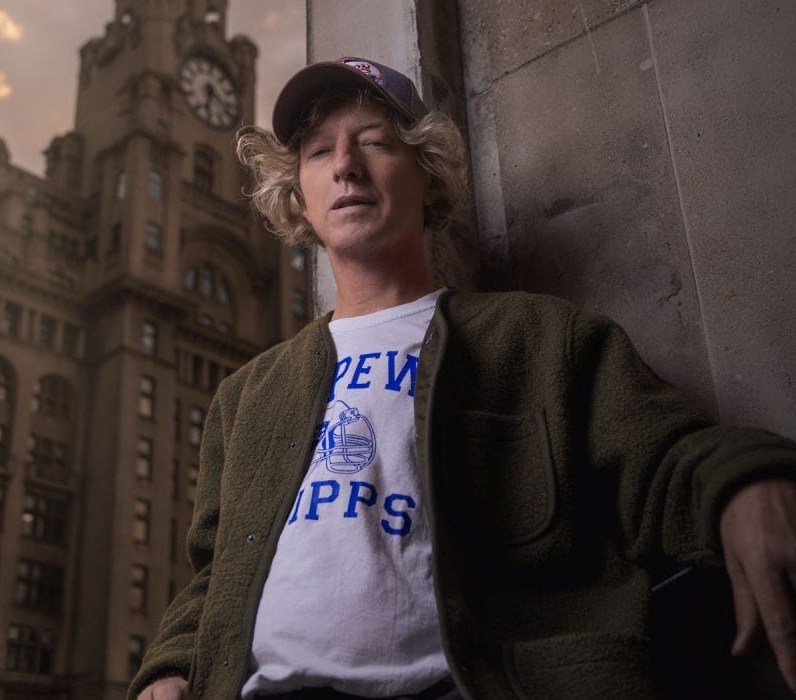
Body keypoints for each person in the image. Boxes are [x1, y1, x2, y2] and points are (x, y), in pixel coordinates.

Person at [131, 57, 796, 699]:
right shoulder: (248, 394)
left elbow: (668, 459)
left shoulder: (538, 338)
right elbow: (217, 572)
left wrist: (745, 482)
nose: (345, 166)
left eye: (374, 143)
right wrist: (170, 664)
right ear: (298, 198)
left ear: (428, 176)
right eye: (317, 153)